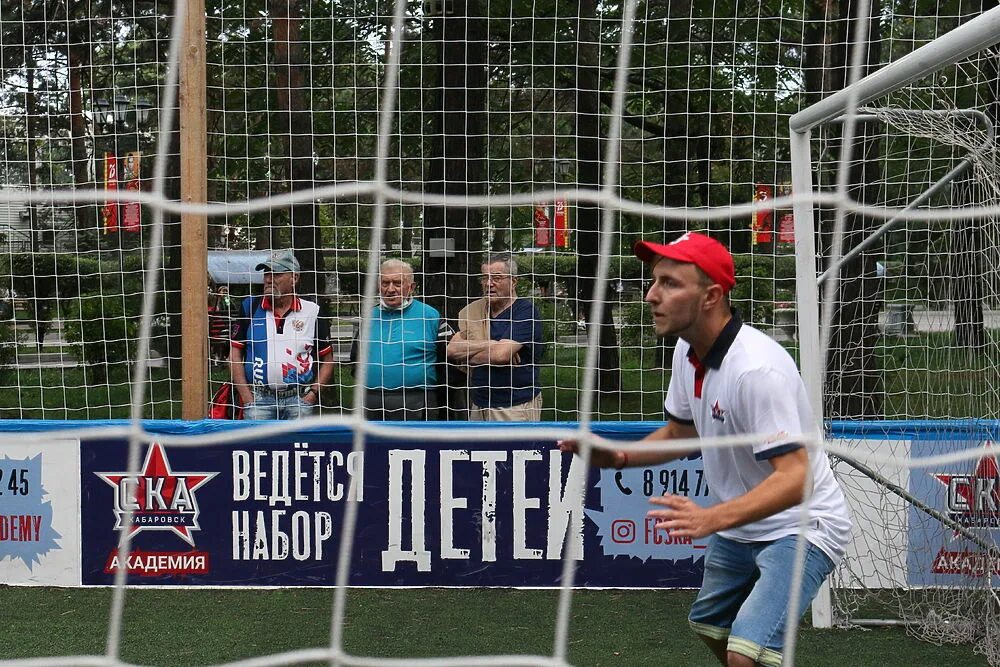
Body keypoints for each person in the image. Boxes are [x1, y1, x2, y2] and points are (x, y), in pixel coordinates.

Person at [560, 232, 851, 667]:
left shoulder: (755, 370)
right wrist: (617, 457)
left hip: (802, 526)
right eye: (654, 281)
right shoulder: (687, 350)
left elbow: (798, 478)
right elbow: (681, 434)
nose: (651, 295)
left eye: (670, 283)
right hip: (741, 526)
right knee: (710, 625)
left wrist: (710, 518)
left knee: (744, 654)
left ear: (712, 296)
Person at [230, 248, 335, 420]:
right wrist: (247, 397)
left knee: (299, 446)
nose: (269, 279)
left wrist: (312, 395)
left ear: (294, 278)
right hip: (258, 400)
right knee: (258, 447)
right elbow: (234, 354)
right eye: (266, 273)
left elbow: (328, 360)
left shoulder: (312, 312)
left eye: (277, 274)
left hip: (299, 399)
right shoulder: (249, 307)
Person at [447, 252, 545, 421]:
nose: (489, 284)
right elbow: (452, 350)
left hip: (515, 407)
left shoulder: (526, 312)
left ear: (513, 281)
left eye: (497, 278)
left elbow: (500, 356)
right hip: (479, 404)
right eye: (485, 278)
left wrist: (469, 354)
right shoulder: (473, 311)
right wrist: (492, 343)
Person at [351, 259, 452, 420]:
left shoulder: (431, 316)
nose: (390, 289)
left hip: (417, 402)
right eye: (385, 283)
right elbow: (355, 357)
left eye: (397, 283)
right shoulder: (368, 316)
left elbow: (447, 359)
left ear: (411, 287)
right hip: (370, 401)